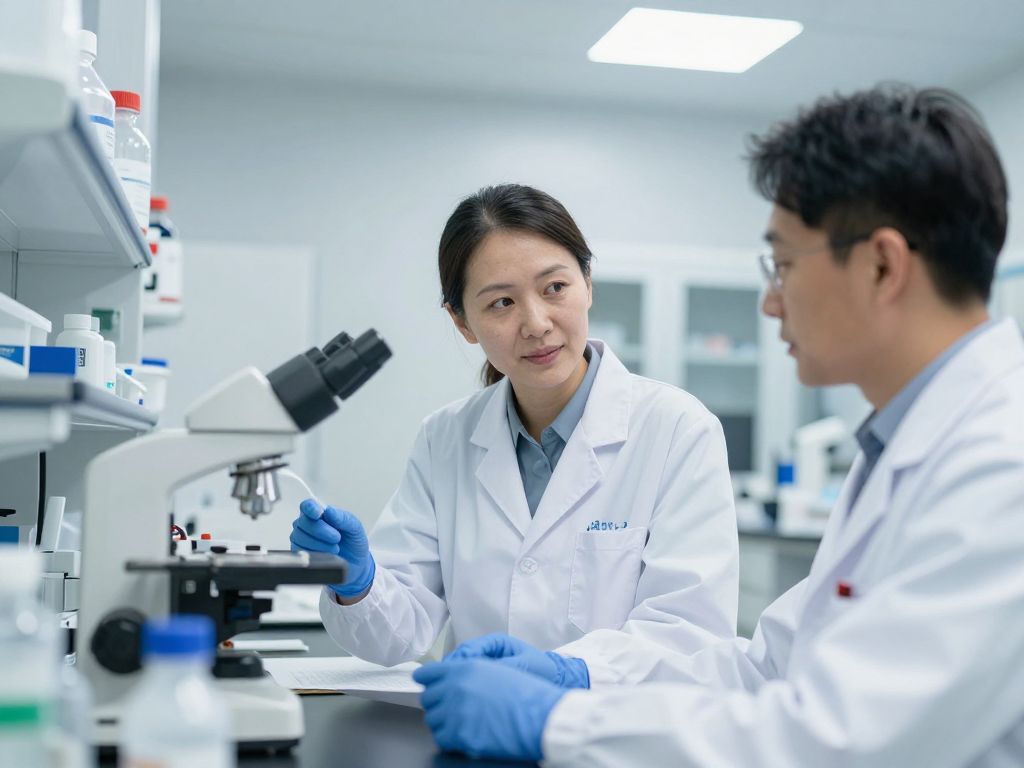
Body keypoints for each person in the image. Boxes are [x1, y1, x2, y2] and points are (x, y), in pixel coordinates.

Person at [413, 86, 1024, 766]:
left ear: (882, 265)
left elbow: (839, 740)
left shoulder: (1001, 466)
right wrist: (571, 674)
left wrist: (556, 723)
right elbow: (766, 666)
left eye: (783, 266)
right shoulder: (908, 448)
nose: (770, 303)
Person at [289, 184, 740, 665]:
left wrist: (565, 674)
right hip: (474, 711)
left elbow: (688, 633)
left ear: (588, 283)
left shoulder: (678, 430)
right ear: (462, 322)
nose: (537, 323)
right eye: (501, 302)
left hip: (613, 712)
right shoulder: (445, 438)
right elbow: (396, 637)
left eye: (555, 288)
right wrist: (359, 584)